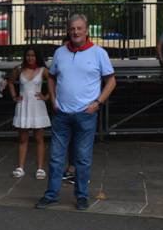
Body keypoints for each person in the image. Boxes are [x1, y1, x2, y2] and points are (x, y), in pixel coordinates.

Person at [36, 14, 116, 211]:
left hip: (86, 114)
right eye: (72, 28)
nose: (75, 32)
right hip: (61, 113)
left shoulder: (98, 53)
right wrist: (53, 99)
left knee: (82, 158)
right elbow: (52, 77)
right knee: (55, 157)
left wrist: (98, 102)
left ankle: (81, 196)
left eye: (79, 28)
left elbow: (111, 81)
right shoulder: (60, 53)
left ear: (86, 30)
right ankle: (51, 194)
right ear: (68, 30)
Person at [7, 47, 52, 179]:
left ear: (37, 56)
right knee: (22, 139)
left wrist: (47, 96)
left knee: (39, 139)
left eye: (33, 55)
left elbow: (54, 82)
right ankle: (20, 167)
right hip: (23, 105)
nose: (30, 58)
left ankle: (40, 169)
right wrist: (14, 96)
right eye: (28, 55)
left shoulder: (43, 70)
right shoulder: (19, 69)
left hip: (38, 106)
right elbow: (10, 82)